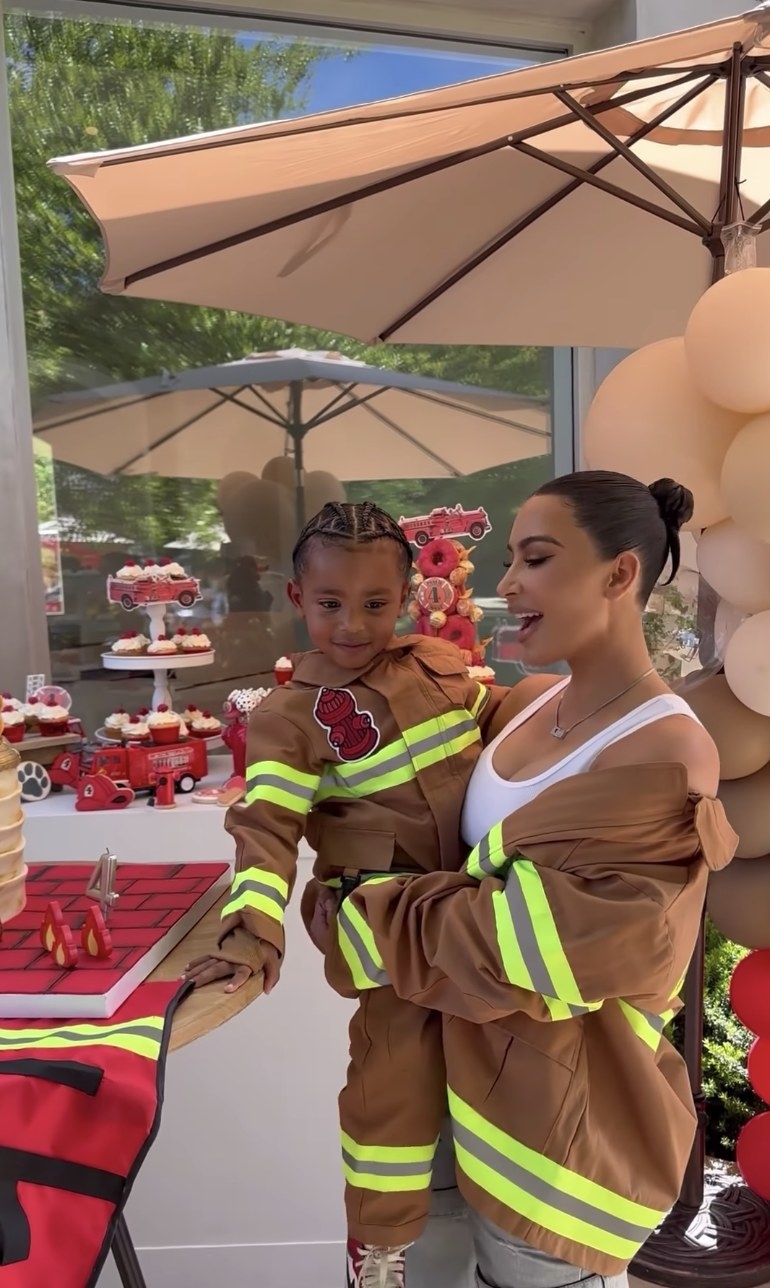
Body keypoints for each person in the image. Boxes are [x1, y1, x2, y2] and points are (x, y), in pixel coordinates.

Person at [307, 471, 737, 1288]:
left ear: (619, 575)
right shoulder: (524, 703)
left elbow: (553, 946)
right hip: (426, 1095)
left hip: (544, 1129)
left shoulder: (668, 750)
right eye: (509, 558)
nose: (506, 584)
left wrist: (363, 917)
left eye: (535, 559)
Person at [184, 500, 509, 1288]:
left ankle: (507, 1211)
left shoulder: (437, 662)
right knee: (389, 1081)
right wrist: (253, 932)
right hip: (389, 924)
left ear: (406, 598)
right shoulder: (291, 719)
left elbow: (497, 725)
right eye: (332, 604)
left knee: (500, 1062)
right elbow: (265, 827)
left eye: (375, 603)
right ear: (299, 599)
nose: (354, 624)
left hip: (480, 913)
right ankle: (382, 1248)